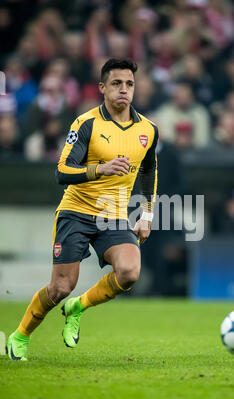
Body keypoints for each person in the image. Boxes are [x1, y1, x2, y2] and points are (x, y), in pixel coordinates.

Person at [7, 58, 158, 361]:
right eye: (116, 83)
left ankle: (79, 307)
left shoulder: (148, 129)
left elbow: (149, 168)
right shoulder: (86, 123)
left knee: (129, 272)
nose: (123, 90)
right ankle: (20, 336)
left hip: (113, 214)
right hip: (76, 211)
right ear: (102, 88)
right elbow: (62, 171)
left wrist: (148, 213)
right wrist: (100, 169)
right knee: (60, 287)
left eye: (129, 84)